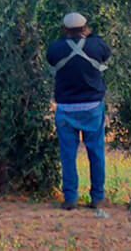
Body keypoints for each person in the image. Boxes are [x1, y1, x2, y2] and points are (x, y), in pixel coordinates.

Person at [46, 11, 111, 210]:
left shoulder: (55, 48)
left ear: (65, 29)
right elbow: (105, 53)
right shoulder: (96, 44)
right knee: (96, 152)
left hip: (66, 109)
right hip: (92, 107)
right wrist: (89, 35)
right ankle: (98, 198)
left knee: (67, 154)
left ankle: (70, 198)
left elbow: (52, 59)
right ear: (85, 27)